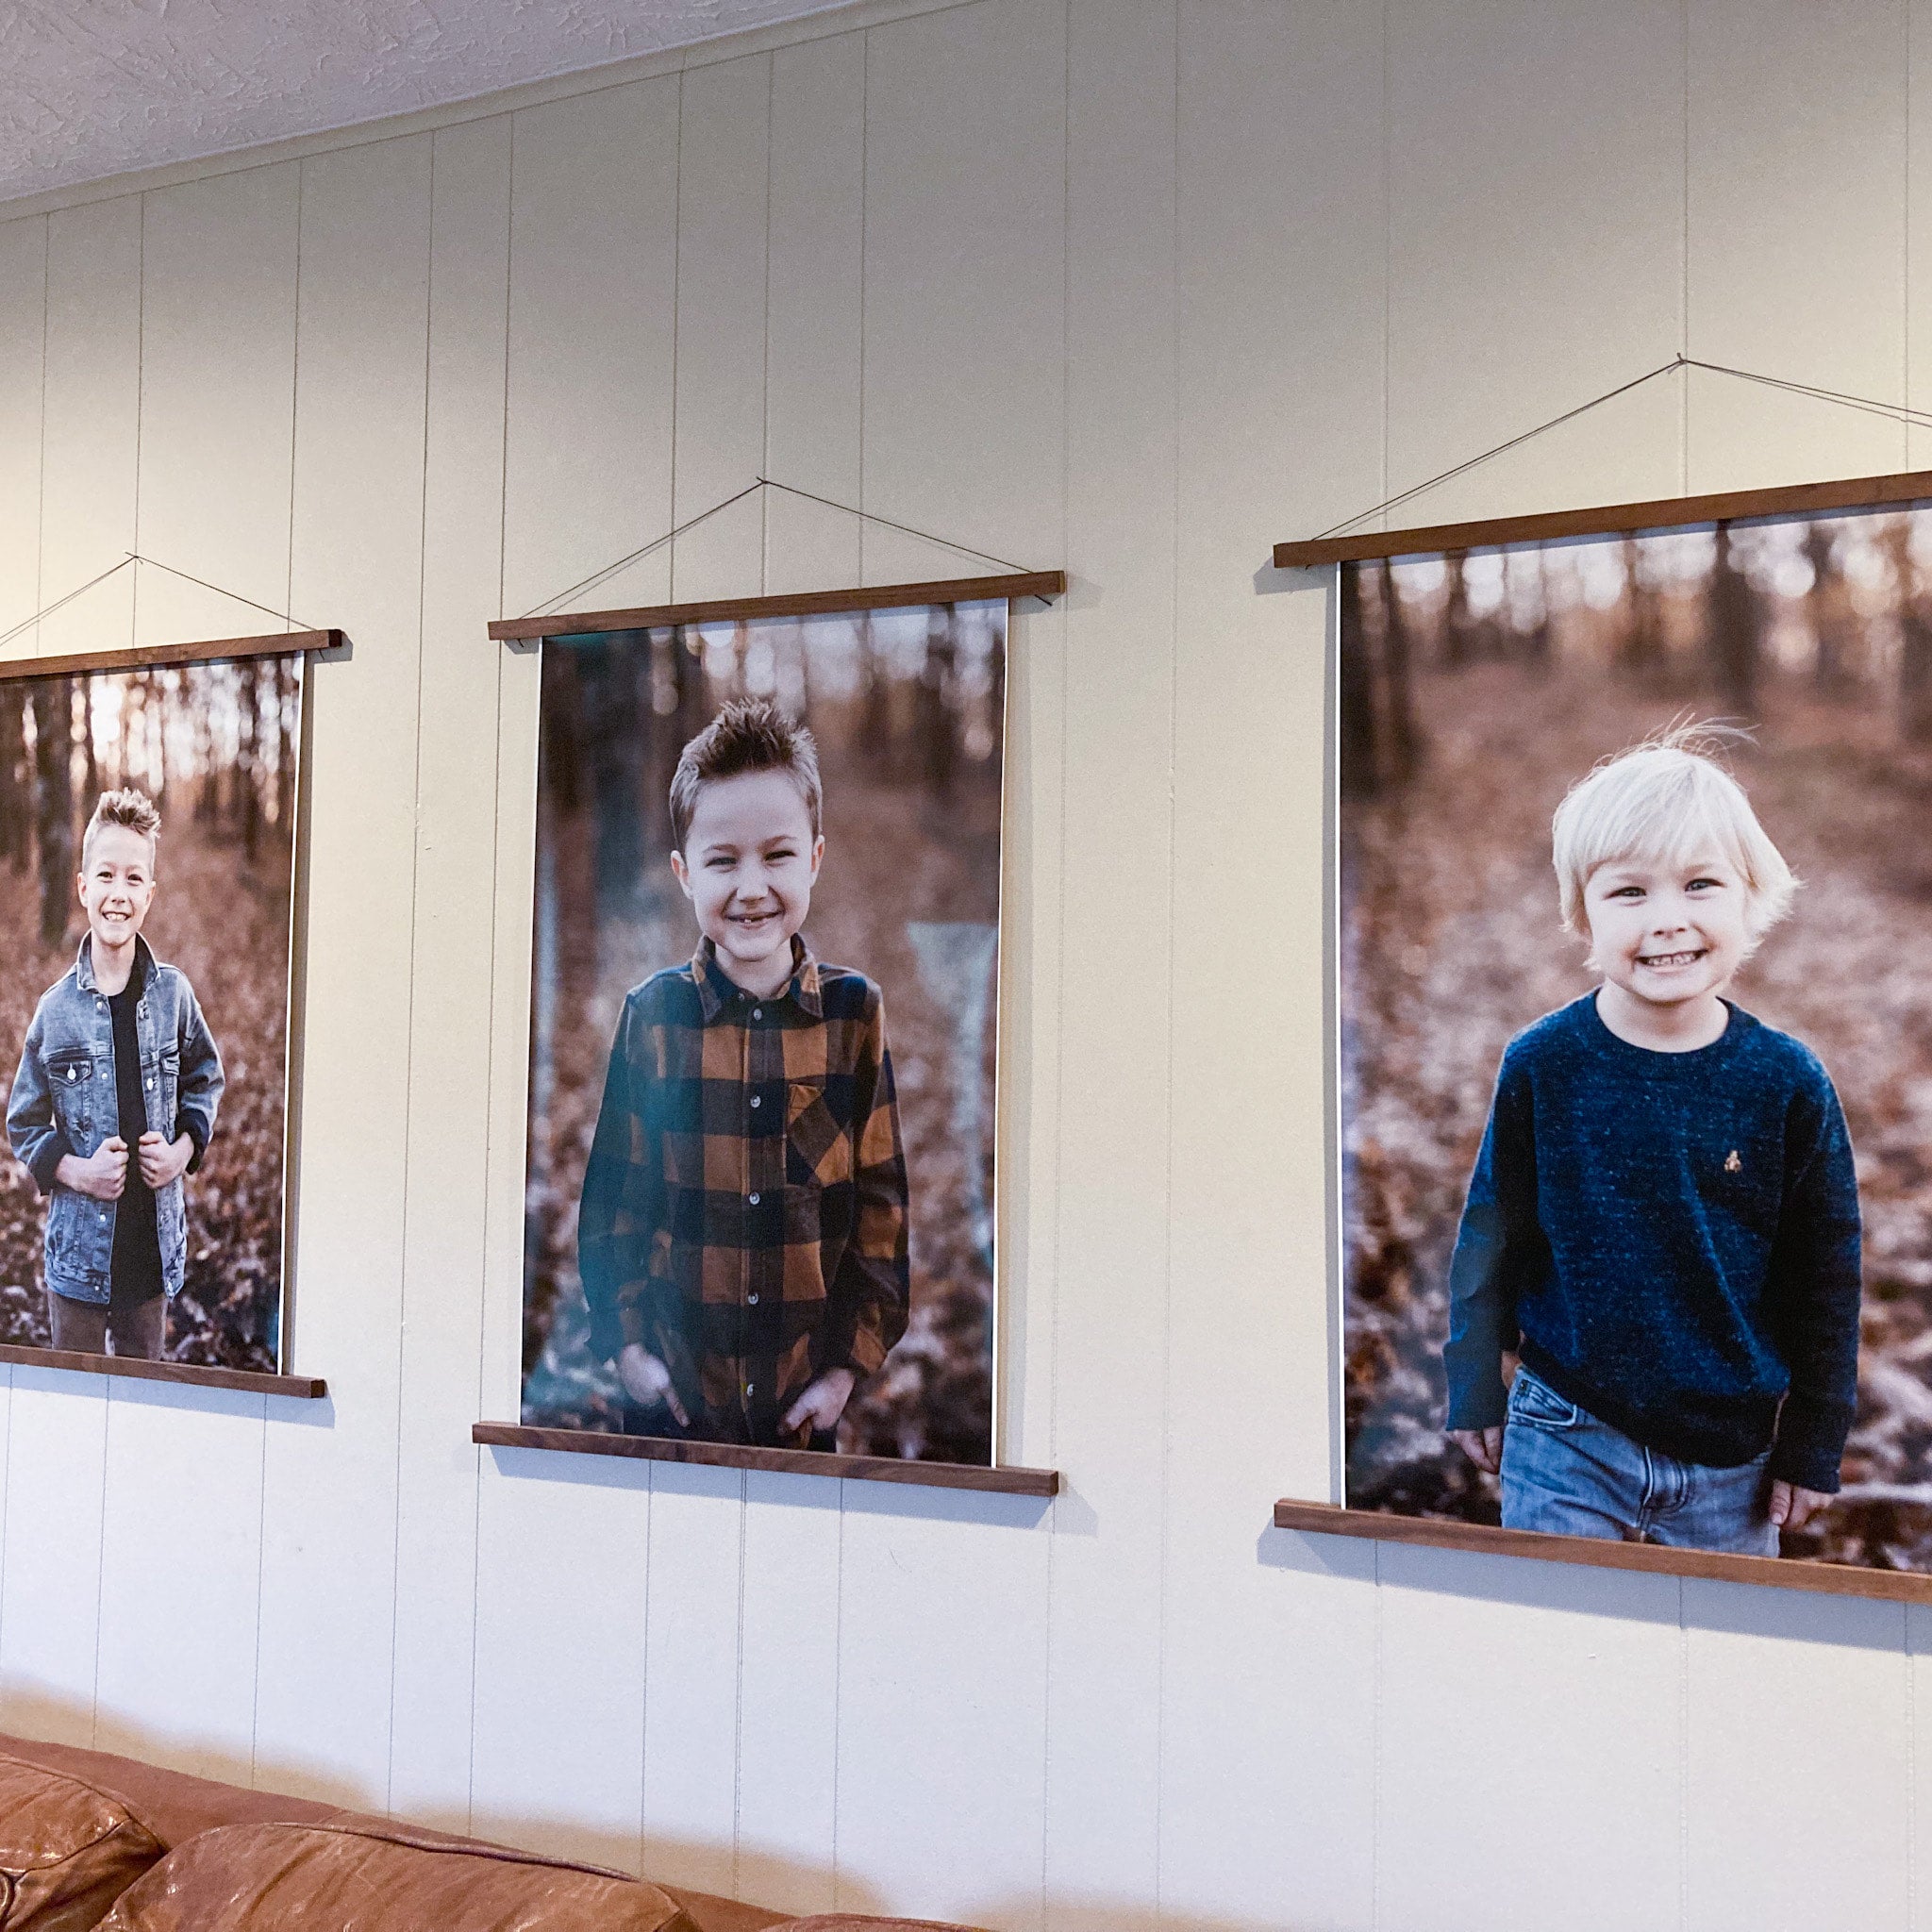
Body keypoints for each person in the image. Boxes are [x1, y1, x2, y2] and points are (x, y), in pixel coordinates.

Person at [1442, 730, 1862, 1555]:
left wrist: (1814, 1440)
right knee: (1562, 1644)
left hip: (1732, 1455)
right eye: (1629, 893)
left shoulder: (1786, 1083)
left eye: (1701, 885)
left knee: (1717, 1661)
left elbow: (1826, 1273)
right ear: (1583, 916)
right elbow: (1490, 1233)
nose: (1668, 920)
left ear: (1749, 899)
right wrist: (1471, 1385)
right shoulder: (1545, 1064)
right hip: (1567, 1428)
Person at [577, 698, 910, 1449]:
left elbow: (882, 1216)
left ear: (816, 859)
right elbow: (613, 1207)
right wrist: (628, 1350)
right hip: (672, 1402)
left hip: (799, 1408)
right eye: (723, 860)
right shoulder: (653, 1018)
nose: (752, 887)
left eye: (778, 855)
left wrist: (844, 1373)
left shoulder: (855, 1016)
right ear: (683, 873)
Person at [8, 789, 225, 1359]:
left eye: (133, 880)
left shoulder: (174, 994)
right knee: (73, 1404)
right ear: (83, 887)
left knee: (142, 1408)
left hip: (150, 1256)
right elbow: (24, 1120)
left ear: (149, 896)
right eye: (105, 876)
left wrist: (183, 1151)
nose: (118, 895)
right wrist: (77, 1172)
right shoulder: (55, 1011)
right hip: (77, 1259)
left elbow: (205, 1077)